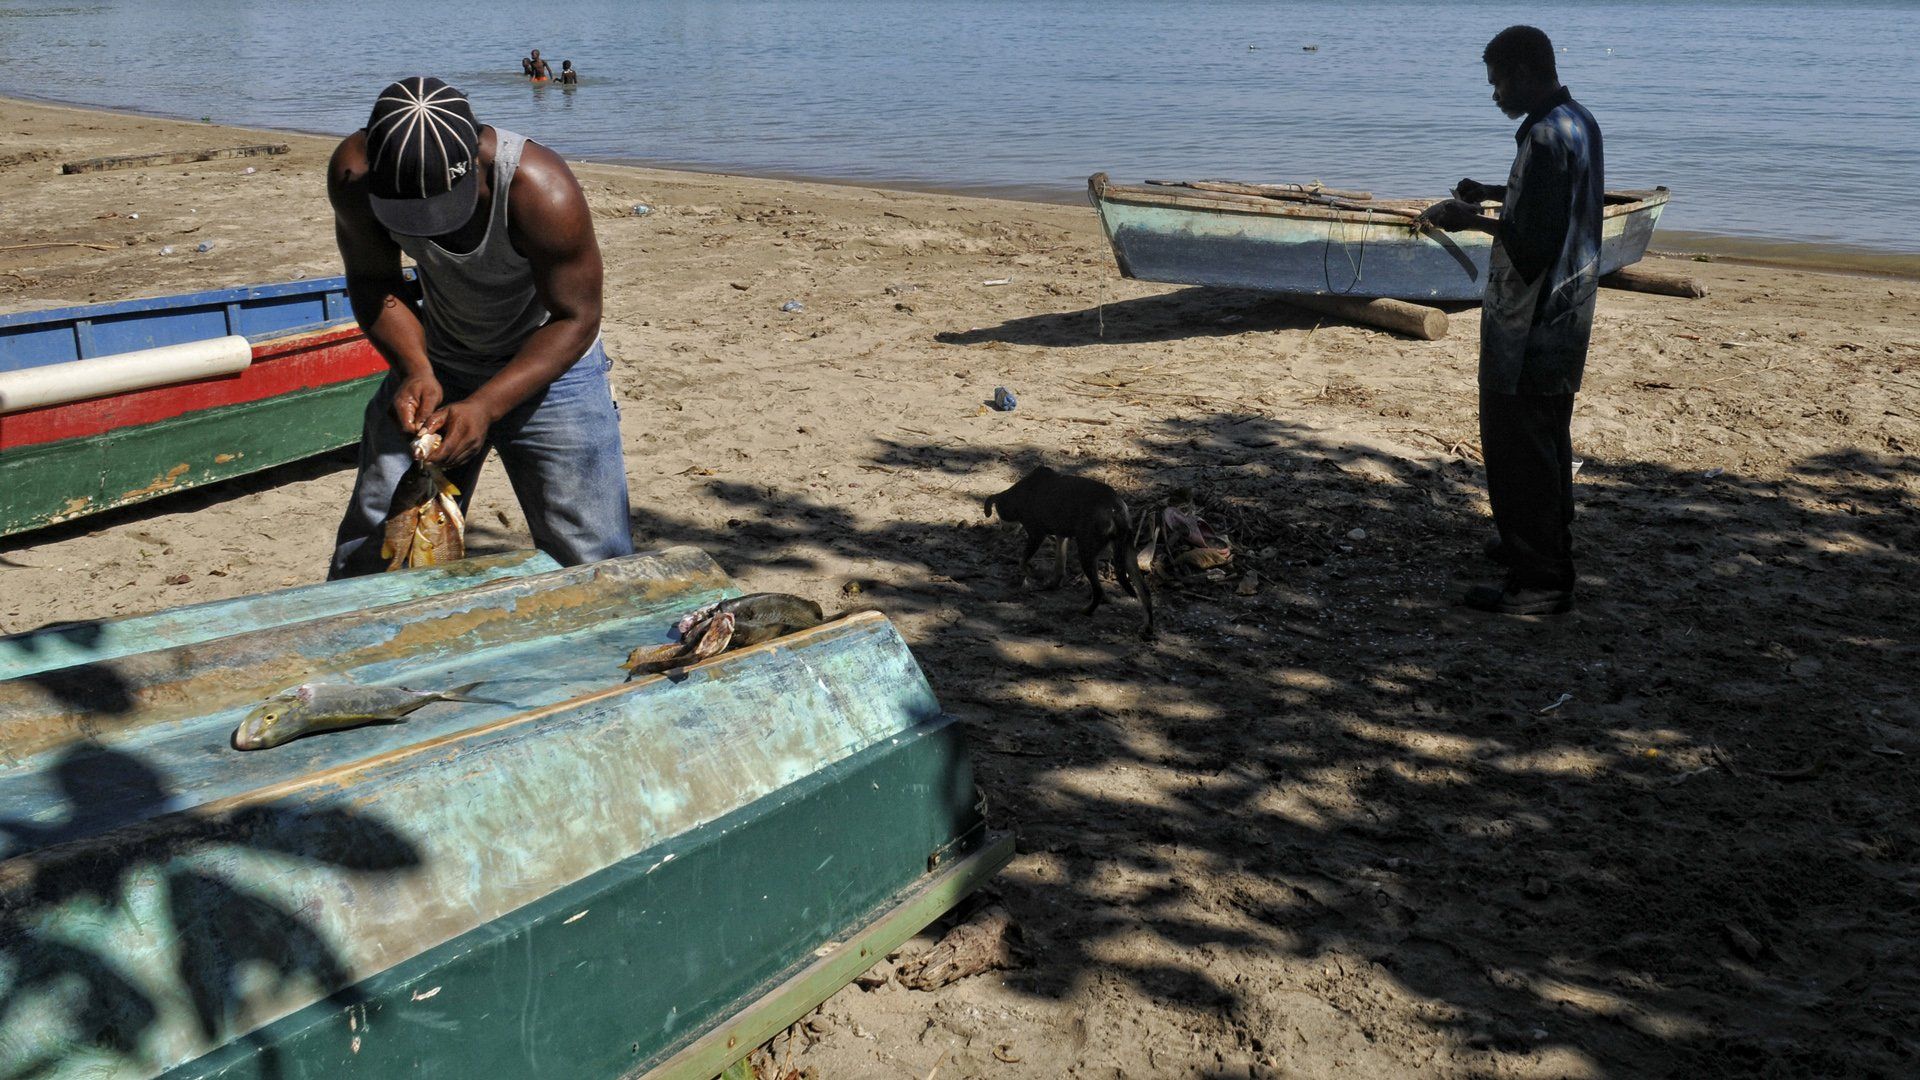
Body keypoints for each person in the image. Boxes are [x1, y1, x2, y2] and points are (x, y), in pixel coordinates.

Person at [325, 76, 633, 578]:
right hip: (442, 358)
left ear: (474, 160)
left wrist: (486, 405)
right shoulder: (354, 174)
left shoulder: (540, 189)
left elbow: (576, 317)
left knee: (592, 556)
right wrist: (415, 369)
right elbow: (372, 279)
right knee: (376, 546)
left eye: (441, 210)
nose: (431, 228)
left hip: (553, 371)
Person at [1418, 25, 1602, 616]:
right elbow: (1561, 200)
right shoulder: (1578, 122)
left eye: (1498, 81)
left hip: (1530, 322)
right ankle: (1539, 542)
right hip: (1567, 315)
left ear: (1524, 72)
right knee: (1547, 435)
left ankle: (1542, 582)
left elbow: (1529, 243)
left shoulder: (1546, 137)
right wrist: (1497, 190)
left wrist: (1466, 217)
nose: (1494, 92)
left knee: (1518, 447)